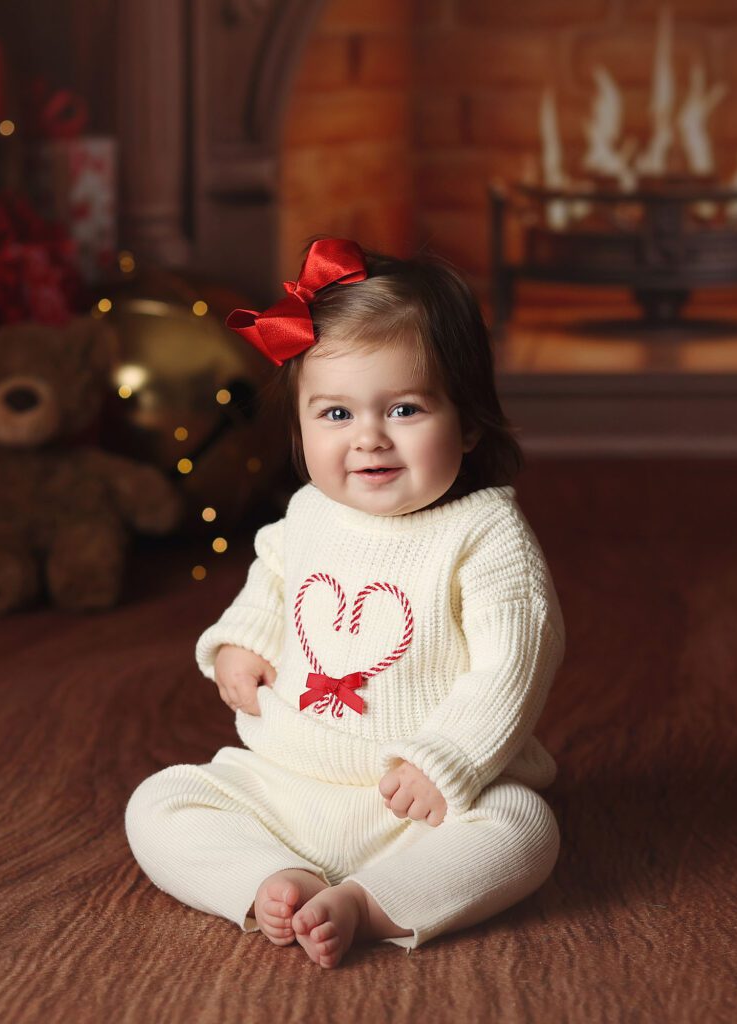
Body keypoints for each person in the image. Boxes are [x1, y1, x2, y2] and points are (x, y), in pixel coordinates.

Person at [125, 238, 565, 968]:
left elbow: (512, 667)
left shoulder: (484, 534)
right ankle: (271, 878)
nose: (368, 439)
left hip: (417, 805)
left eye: (403, 408)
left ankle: (371, 901)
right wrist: (243, 640)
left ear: (470, 418)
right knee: (159, 802)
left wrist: (446, 760)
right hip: (287, 779)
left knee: (524, 830)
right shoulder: (309, 512)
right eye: (335, 414)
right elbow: (273, 578)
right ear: (298, 424)